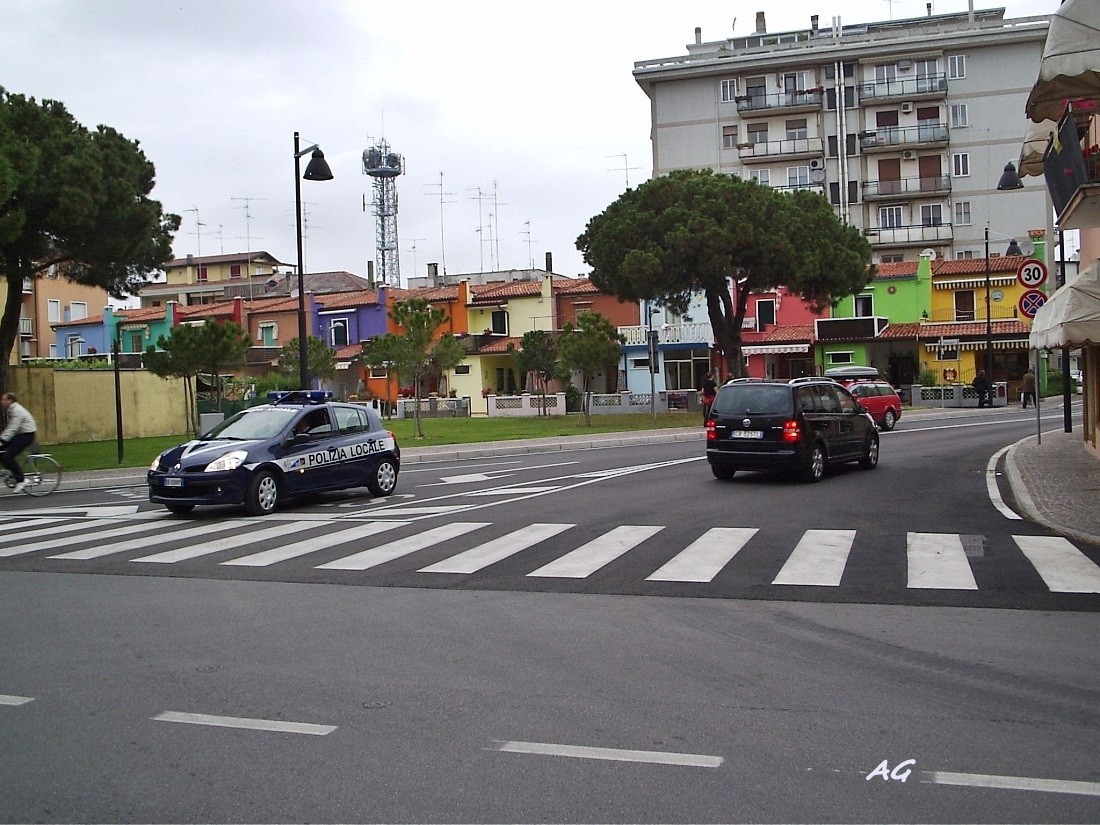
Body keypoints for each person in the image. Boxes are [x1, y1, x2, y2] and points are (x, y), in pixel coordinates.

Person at [0, 392, 38, 493]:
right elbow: (11, 428)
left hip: (26, 436)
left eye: (3, 399)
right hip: (20, 435)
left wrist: (2, 440)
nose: (2, 402)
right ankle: (11, 471)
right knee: (2, 453)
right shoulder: (11, 410)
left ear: (10, 401)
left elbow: (12, 428)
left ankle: (21, 479)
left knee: (7, 456)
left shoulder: (17, 411)